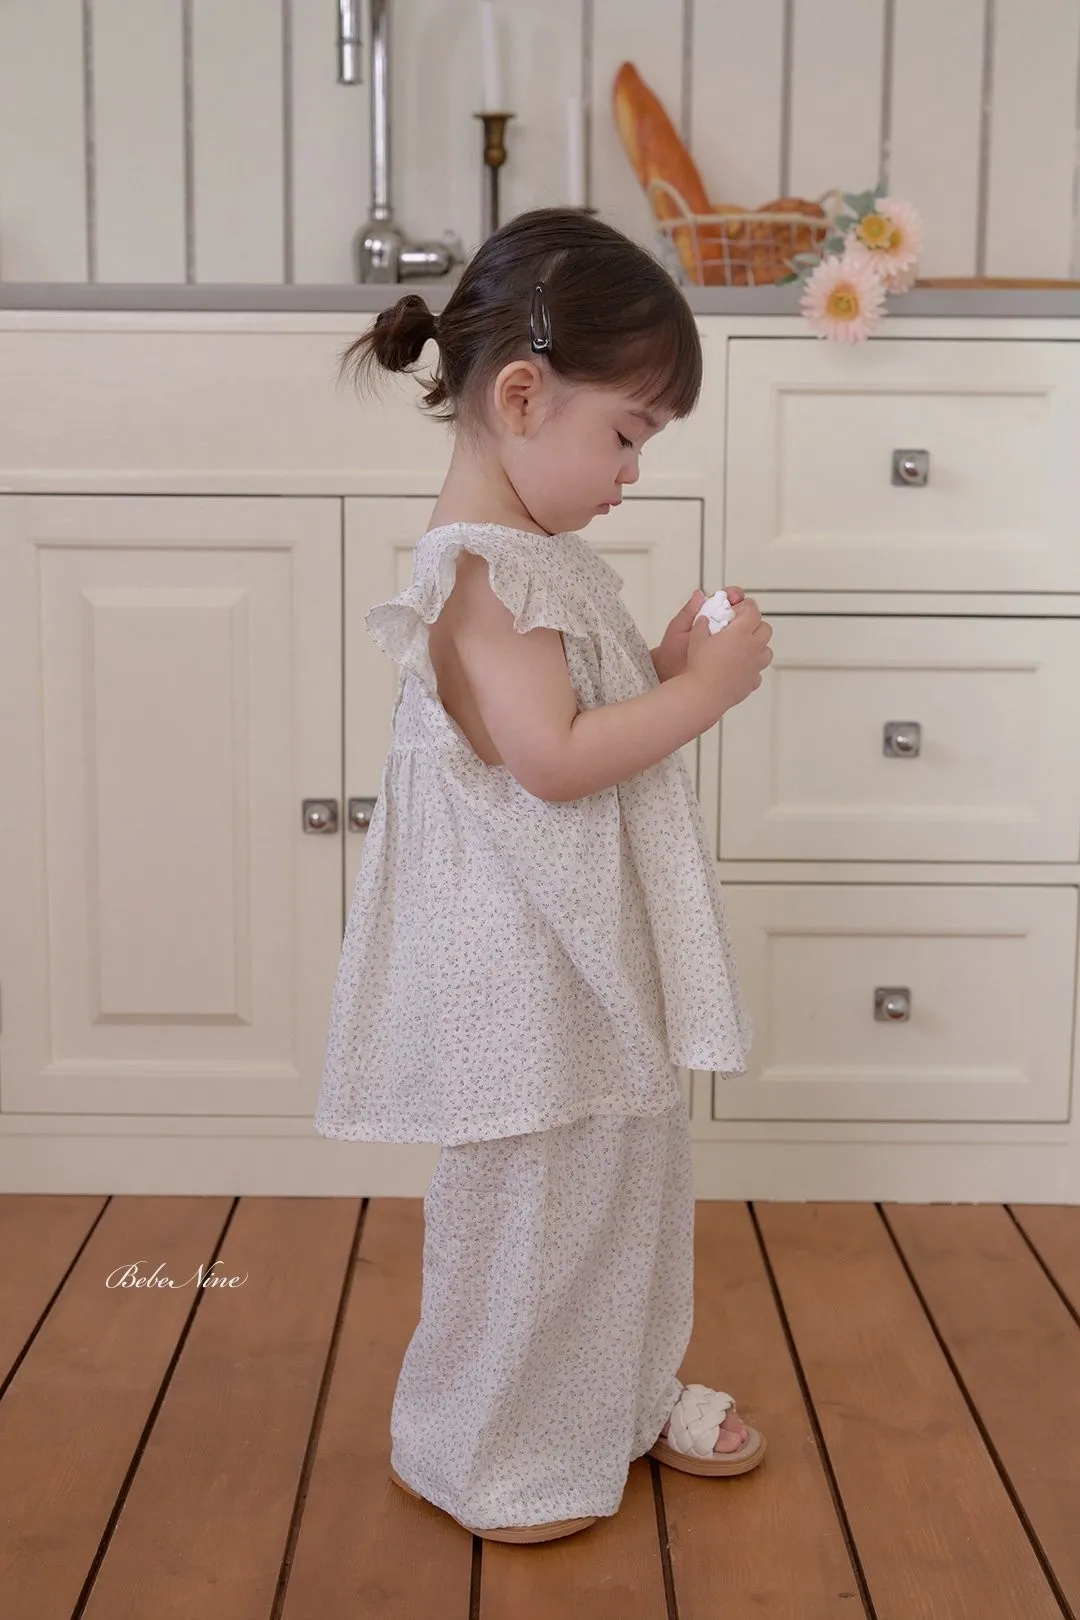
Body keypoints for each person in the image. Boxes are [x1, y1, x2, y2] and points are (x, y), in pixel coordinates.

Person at [314, 207, 774, 1546]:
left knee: (621, 1190)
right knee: (533, 1219)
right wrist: (707, 694)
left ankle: (613, 1397)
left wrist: (666, 667)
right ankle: (496, 1449)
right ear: (522, 397)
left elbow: (577, 720)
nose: (633, 470)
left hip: (578, 954)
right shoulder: (484, 576)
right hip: (524, 969)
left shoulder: (538, 561)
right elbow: (554, 761)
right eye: (626, 434)